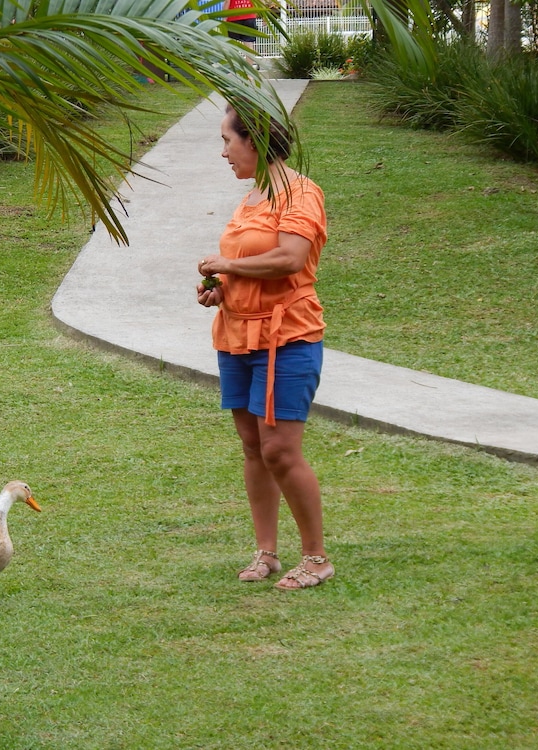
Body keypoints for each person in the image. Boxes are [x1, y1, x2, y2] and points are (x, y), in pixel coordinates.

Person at [195, 102, 334, 590]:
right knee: (254, 448)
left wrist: (228, 267)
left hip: (287, 337)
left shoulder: (300, 193)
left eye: (227, 141)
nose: (223, 152)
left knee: (280, 450)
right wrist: (220, 290)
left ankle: (316, 557)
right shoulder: (252, 198)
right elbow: (249, 264)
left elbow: (290, 258)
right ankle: (267, 552)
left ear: (252, 140)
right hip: (237, 336)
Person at [223, 0, 259, 65]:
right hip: (249, 17)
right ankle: (250, 72)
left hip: (233, 17)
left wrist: (224, 19)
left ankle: (233, 68)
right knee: (249, 47)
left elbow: (227, 1)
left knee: (231, 45)